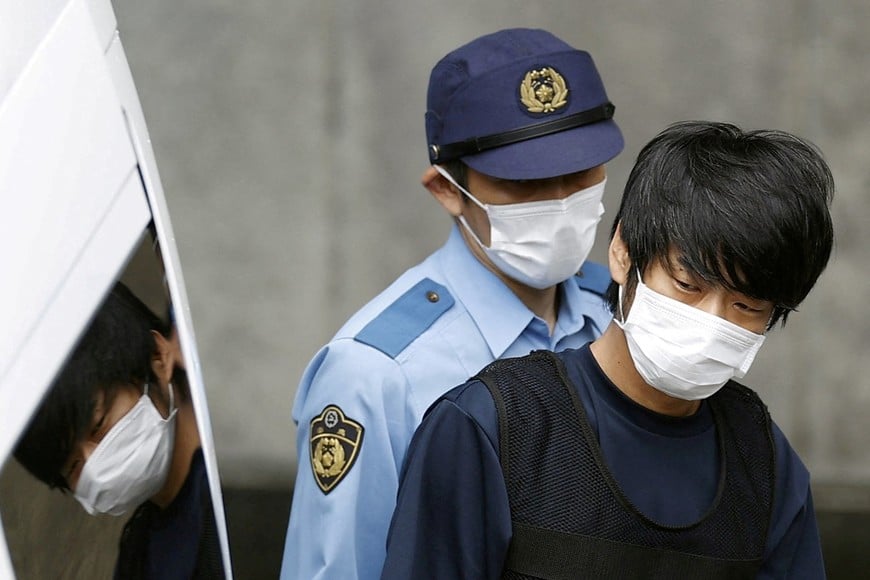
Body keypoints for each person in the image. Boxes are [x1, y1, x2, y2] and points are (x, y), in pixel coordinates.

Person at [381, 121, 835, 579]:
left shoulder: (763, 461)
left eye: (745, 305)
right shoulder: (493, 428)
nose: (711, 321)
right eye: (686, 285)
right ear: (623, 252)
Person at [280, 28, 624, 579]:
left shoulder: (620, 315)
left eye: (580, 171)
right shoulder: (375, 374)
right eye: (526, 181)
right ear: (446, 190)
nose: (561, 201)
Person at [14, 282, 225, 579]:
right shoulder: (138, 558)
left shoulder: (235, 487)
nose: (96, 464)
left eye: (99, 425)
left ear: (157, 356)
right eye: (74, 467)